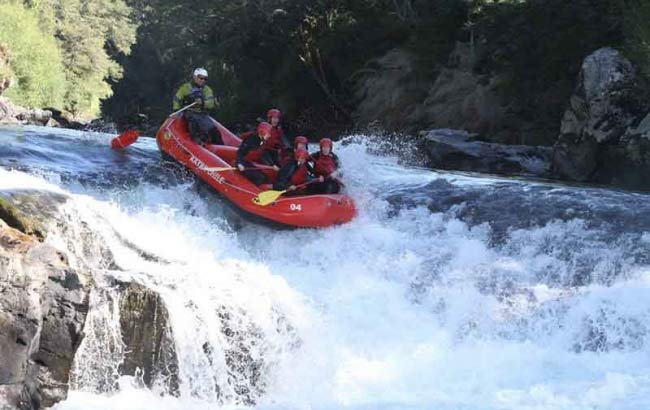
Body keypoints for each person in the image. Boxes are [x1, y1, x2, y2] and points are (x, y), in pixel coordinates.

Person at [172, 67, 222, 144]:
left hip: (201, 113)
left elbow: (211, 103)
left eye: (205, 79)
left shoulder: (207, 90)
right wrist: (176, 110)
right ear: (195, 77)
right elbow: (177, 99)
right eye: (201, 78)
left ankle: (219, 145)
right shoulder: (186, 87)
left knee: (213, 129)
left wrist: (202, 103)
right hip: (189, 112)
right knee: (193, 120)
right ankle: (196, 140)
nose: (203, 80)